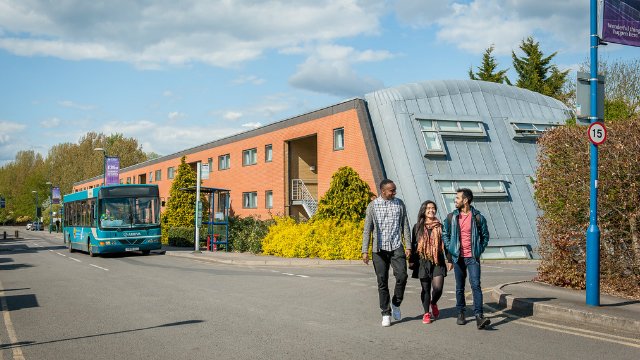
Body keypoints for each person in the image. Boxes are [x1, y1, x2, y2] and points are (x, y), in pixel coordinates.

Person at [362, 179, 411, 327]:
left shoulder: (400, 204)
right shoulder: (372, 206)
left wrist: (408, 245)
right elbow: (367, 229)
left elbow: (405, 226)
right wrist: (365, 250)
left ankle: (396, 303)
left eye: (394, 190)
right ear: (383, 191)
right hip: (379, 250)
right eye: (391, 190)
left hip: (396, 247)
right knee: (382, 281)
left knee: (402, 276)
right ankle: (386, 313)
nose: (394, 192)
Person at [442, 188, 491, 329]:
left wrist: (479, 250)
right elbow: (445, 233)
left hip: (472, 258)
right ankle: (461, 313)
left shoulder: (478, 217)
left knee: (476, 285)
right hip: (458, 257)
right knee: (460, 287)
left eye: (457, 198)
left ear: (465, 200)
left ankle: (479, 316)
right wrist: (450, 247)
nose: (455, 201)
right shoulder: (452, 217)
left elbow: (485, 236)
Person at [410, 200, 452, 324]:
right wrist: (411, 261)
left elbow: (446, 244)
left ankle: (433, 303)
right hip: (422, 261)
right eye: (428, 208)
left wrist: (449, 259)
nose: (431, 210)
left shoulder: (440, 226)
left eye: (433, 208)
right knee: (426, 288)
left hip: (437, 260)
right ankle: (426, 313)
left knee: (438, 288)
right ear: (424, 210)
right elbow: (413, 245)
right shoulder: (417, 227)